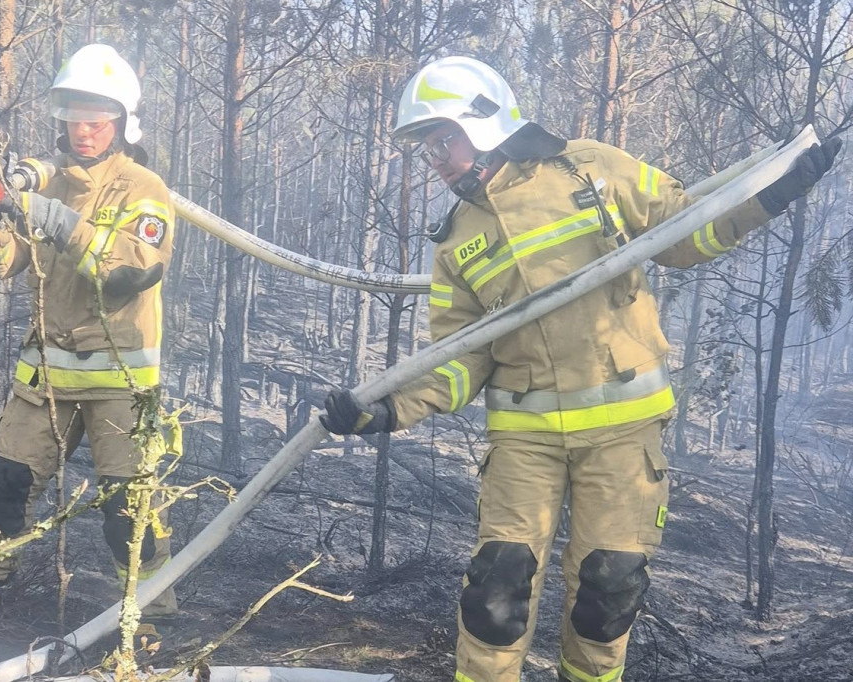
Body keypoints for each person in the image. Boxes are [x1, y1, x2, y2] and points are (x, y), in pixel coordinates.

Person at [320, 56, 840, 682]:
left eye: (441, 139)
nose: (434, 158)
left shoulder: (590, 168)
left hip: (625, 436)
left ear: (482, 122)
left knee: (608, 592)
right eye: (426, 147)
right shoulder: (456, 239)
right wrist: (388, 408)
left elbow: (684, 232)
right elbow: (458, 359)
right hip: (523, 442)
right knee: (496, 590)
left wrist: (770, 195)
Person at [0, 44, 179, 642]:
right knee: (1, 483)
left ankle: (150, 610)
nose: (82, 132)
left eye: (96, 120)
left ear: (122, 122)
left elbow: (133, 268)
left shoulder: (143, 188)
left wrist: (55, 219)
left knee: (127, 511)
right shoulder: (49, 178)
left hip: (120, 386)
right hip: (46, 376)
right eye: (73, 119)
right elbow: (8, 263)